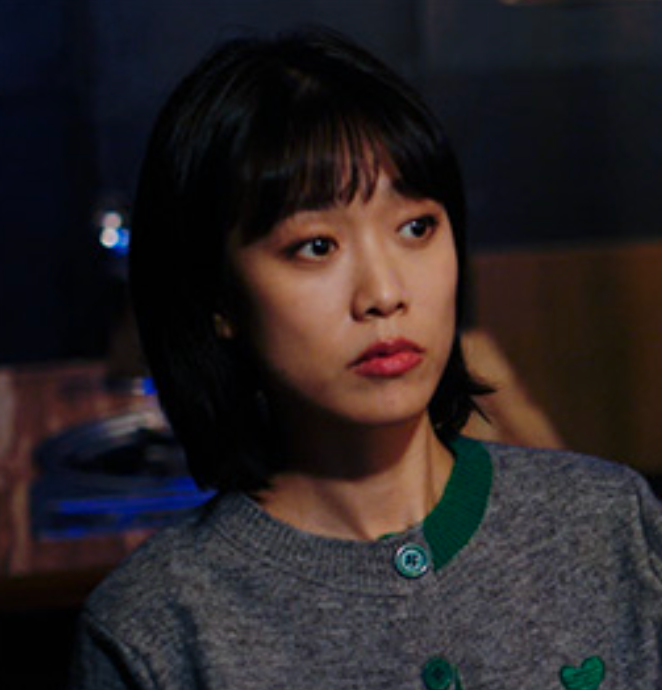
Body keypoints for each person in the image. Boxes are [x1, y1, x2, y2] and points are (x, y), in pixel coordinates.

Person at [69, 27, 662, 690]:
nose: (383, 294)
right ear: (219, 299)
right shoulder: (154, 631)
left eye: (416, 228)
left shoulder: (610, 523)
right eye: (316, 246)